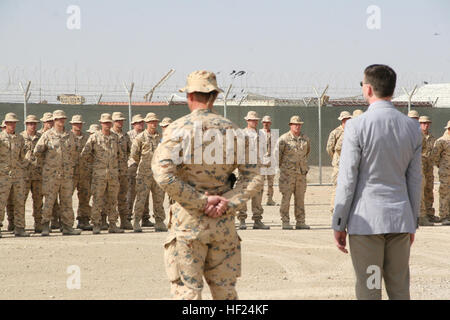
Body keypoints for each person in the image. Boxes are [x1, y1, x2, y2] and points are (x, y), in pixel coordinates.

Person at [152, 70, 263, 299]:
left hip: (188, 224)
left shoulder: (177, 129)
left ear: (190, 96)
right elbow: (254, 177)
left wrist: (201, 202)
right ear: (214, 96)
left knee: (188, 293)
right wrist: (228, 203)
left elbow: (164, 175)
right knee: (225, 292)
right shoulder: (234, 131)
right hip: (223, 224)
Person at [333, 64, 422, 300]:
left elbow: (348, 179)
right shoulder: (412, 127)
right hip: (400, 220)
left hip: (367, 224)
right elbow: (415, 180)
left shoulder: (356, 126)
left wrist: (339, 222)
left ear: (368, 89)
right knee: (400, 289)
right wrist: (412, 222)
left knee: (370, 289)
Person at [33, 110, 81, 236]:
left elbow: (76, 152)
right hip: (51, 175)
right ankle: (45, 226)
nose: (61, 121)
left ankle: (67, 227)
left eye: (62, 119)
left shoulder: (70, 135)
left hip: (66, 175)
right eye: (58, 119)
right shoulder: (47, 135)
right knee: (49, 201)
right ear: (54, 121)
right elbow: (37, 152)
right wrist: (48, 165)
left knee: (67, 202)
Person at [81, 113, 124, 234]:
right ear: (101, 123)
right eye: (105, 123)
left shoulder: (115, 138)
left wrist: (116, 168)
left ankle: (113, 224)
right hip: (99, 175)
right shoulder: (94, 137)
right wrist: (94, 166)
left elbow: (121, 155)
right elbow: (85, 154)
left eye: (109, 123)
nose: (107, 125)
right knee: (97, 200)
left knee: (113, 200)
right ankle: (96, 224)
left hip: (112, 174)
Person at [131, 112, 166, 232]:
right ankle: (136, 221)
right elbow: (134, 154)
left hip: (158, 173)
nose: (153, 124)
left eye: (155, 122)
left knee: (159, 199)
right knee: (141, 198)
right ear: (146, 123)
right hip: (144, 173)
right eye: (151, 122)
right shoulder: (140, 137)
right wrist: (144, 163)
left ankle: (159, 222)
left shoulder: (160, 137)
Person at [237, 111, 269, 230]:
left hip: (258, 168)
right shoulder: (242, 134)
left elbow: (263, 150)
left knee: (258, 194)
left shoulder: (261, 134)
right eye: (252, 120)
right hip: (245, 168)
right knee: (243, 194)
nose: (254, 122)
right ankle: (242, 220)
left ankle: (257, 220)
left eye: (256, 120)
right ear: (247, 121)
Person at [278, 115, 311, 230]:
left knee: (300, 199)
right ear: (290, 125)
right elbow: (278, 157)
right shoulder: (284, 139)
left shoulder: (305, 138)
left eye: (299, 124)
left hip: (301, 174)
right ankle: (285, 221)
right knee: (286, 198)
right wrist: (284, 170)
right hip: (288, 175)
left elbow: (306, 154)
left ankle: (300, 222)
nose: (297, 126)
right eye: (295, 124)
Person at [0, 113, 30, 237]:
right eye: (10, 123)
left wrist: (23, 164)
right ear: (5, 124)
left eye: (14, 123)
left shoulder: (19, 138)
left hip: (17, 175)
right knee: (1, 201)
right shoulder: (1, 139)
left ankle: (19, 228)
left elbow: (24, 154)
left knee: (19, 201)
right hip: (3, 175)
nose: (12, 125)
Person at [38, 111, 61, 230]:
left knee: (62, 200)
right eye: (47, 121)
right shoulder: (44, 135)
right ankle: (43, 223)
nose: (50, 123)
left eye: (51, 121)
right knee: (47, 199)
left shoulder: (63, 135)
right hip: (46, 173)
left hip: (61, 173)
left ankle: (58, 222)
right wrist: (46, 164)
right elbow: (37, 152)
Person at [21, 114, 44, 233]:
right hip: (24, 175)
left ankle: (38, 224)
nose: (32, 125)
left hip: (38, 174)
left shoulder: (41, 137)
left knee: (38, 201)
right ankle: (19, 225)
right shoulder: (20, 137)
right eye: (30, 123)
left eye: (34, 123)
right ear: (26, 124)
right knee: (20, 201)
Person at [127, 114, 151, 226]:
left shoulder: (147, 135)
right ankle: (127, 218)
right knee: (131, 193)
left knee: (144, 193)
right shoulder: (128, 135)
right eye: (137, 123)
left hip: (144, 167)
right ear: (133, 124)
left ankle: (145, 218)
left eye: (142, 122)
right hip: (132, 166)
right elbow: (129, 152)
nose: (140, 124)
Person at [326, 111, 352, 214]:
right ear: (341, 121)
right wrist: (336, 158)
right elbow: (330, 148)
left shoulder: (353, 131)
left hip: (350, 164)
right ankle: (334, 207)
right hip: (339, 165)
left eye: (348, 119)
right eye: (344, 120)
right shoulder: (335, 132)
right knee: (337, 186)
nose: (346, 121)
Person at [69, 115, 92, 231]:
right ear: (72, 125)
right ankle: (66, 222)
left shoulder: (87, 138)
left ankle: (84, 220)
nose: (78, 125)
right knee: (67, 198)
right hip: (71, 173)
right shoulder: (68, 137)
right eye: (76, 124)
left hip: (84, 172)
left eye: (80, 123)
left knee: (85, 197)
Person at [111, 112, 133, 230]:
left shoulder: (126, 136)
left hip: (123, 171)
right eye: (118, 121)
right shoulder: (109, 135)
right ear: (113, 122)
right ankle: (110, 221)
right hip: (112, 171)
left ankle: (124, 220)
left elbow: (130, 151)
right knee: (111, 197)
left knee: (123, 196)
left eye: (121, 120)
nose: (120, 122)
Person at [418, 116, 439, 223]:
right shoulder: (416, 136)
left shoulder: (432, 138)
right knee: (420, 190)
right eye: (423, 123)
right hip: (419, 168)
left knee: (429, 190)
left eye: (427, 123)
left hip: (429, 168)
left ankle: (430, 213)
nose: (425, 125)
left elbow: (435, 153)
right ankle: (422, 214)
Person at [431, 121, 450, 225]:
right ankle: (443, 216)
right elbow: (435, 156)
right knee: (444, 193)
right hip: (445, 172)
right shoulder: (441, 141)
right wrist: (442, 166)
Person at [261, 115, 276, 206]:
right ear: (262, 123)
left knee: (271, 182)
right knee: (261, 182)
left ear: (270, 123)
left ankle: (269, 199)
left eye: (268, 122)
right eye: (264, 122)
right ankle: (259, 201)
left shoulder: (273, 134)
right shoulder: (259, 134)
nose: (266, 124)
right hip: (262, 161)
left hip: (271, 161)